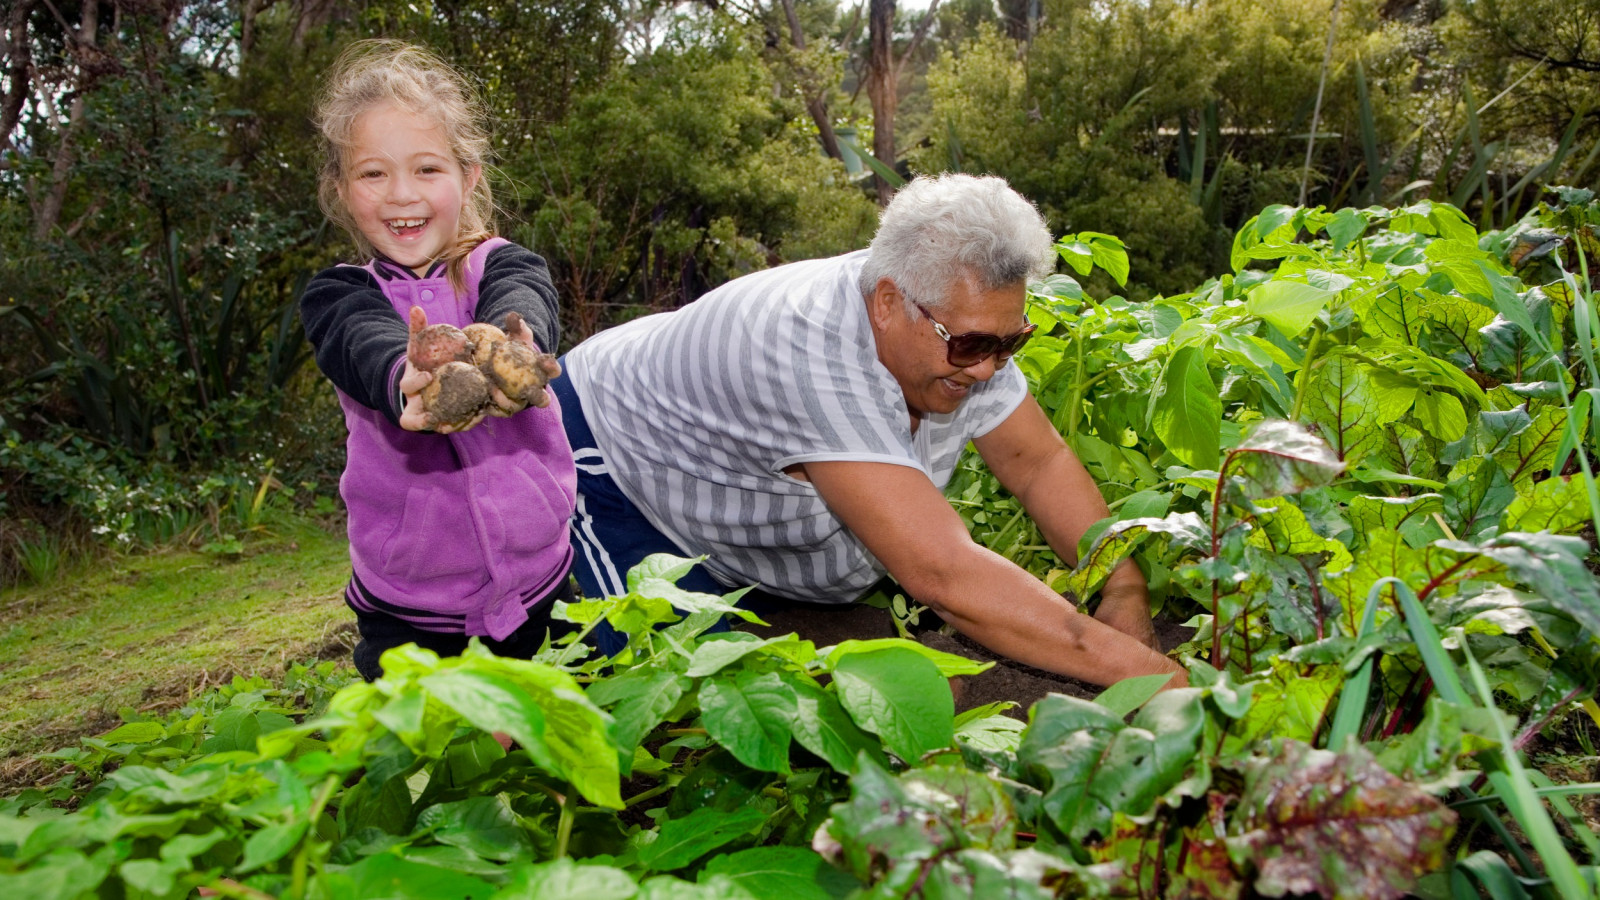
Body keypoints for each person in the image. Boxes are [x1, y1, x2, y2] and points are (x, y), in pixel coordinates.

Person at [552, 173, 1184, 689]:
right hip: (613, 464)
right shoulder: (808, 349)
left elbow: (1037, 461)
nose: (990, 367)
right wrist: (1153, 676)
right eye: (970, 344)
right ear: (888, 303)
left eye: (1010, 342)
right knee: (695, 698)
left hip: (720, 484)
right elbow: (944, 576)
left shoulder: (949, 321)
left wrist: (1121, 587)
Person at [300, 41, 575, 681]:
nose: (402, 194)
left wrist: (513, 347)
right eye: (373, 173)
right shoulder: (340, 294)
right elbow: (360, 341)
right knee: (435, 768)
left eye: (427, 169)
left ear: (468, 176)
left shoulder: (504, 263)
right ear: (341, 189)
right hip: (410, 610)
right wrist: (409, 376)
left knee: (554, 753)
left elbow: (523, 299)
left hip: (541, 582)